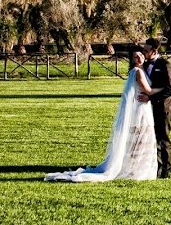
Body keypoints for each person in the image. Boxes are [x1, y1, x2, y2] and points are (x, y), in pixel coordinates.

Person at [45, 52, 157, 182]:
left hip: (141, 106)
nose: (140, 58)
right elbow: (148, 90)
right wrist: (162, 92)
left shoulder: (136, 71)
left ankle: (134, 167)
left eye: (141, 55)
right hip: (141, 109)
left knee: (138, 139)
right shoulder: (138, 72)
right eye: (136, 56)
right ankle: (138, 169)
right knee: (141, 138)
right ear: (132, 59)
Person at [137, 38, 171, 179]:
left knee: (162, 138)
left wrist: (150, 98)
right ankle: (152, 168)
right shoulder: (144, 65)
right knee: (149, 138)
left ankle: (165, 171)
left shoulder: (165, 65)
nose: (144, 52)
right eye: (143, 50)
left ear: (154, 51)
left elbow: (169, 89)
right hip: (146, 109)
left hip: (162, 106)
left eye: (146, 50)